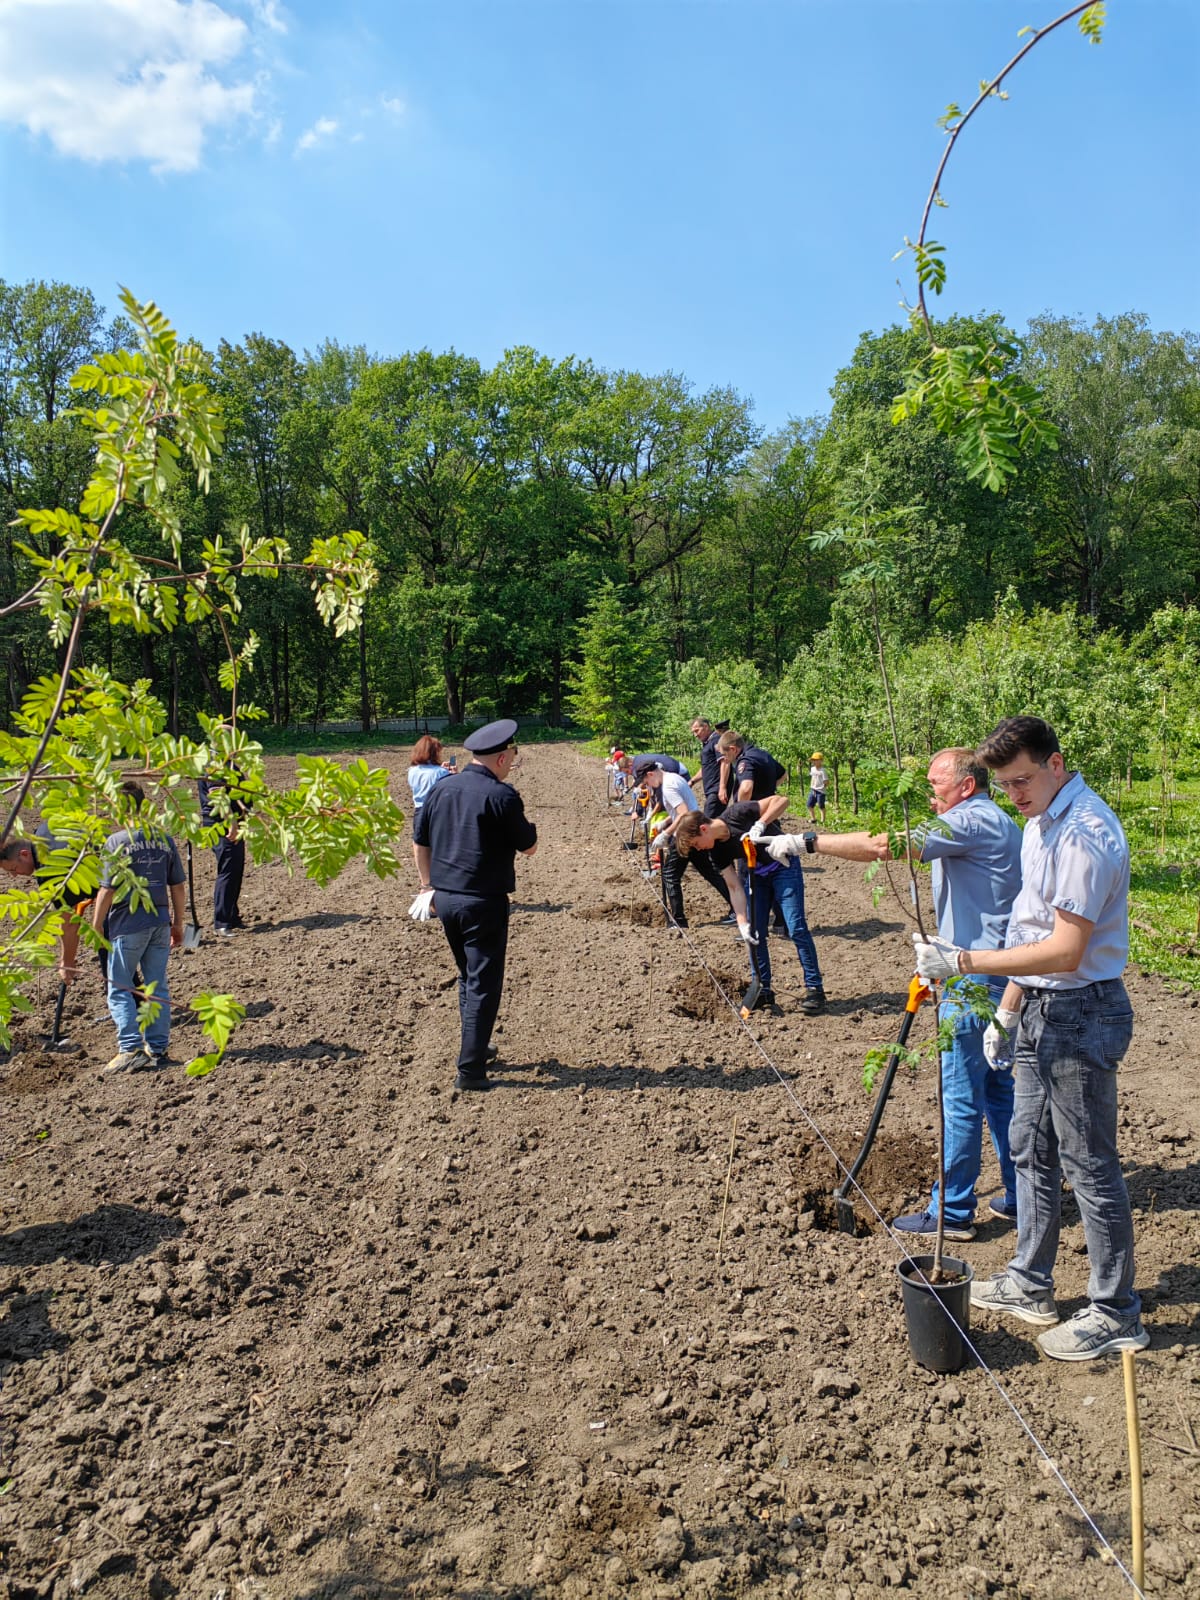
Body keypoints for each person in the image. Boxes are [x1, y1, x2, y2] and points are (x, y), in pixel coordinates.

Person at [913, 716, 1147, 1362]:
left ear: (1056, 764)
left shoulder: (1085, 833)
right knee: (1028, 1145)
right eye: (1005, 784)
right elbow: (1029, 930)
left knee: (1089, 1164)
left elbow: (1065, 950)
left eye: (1021, 780)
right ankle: (1030, 1281)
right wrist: (1008, 1010)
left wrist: (962, 962)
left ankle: (1116, 1311)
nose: (1013, 794)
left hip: (1081, 1013)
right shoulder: (1041, 822)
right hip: (1040, 1007)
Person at [768, 747, 1022, 1242]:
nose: (928, 795)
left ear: (967, 786)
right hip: (989, 971)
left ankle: (951, 1213)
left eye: (935, 785)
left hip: (974, 978)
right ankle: (1020, 1193)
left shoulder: (971, 820)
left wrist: (805, 842)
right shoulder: (993, 820)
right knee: (996, 1092)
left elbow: (886, 845)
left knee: (960, 1095)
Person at [412, 718, 537, 1093]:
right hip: (483, 902)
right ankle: (470, 1070)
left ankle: (477, 1047)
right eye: (512, 756)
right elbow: (529, 847)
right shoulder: (502, 796)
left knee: (469, 975)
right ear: (501, 758)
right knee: (483, 983)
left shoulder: (441, 788)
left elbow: (420, 841)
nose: (512, 763)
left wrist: (426, 886)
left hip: (445, 899)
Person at [674, 797, 826, 1015]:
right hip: (756, 877)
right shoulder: (716, 852)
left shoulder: (737, 813)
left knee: (796, 927)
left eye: (697, 844)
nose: (699, 849)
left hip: (784, 867)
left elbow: (781, 800)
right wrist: (742, 922)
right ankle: (763, 988)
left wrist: (760, 824)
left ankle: (814, 989)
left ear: (704, 829)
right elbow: (734, 887)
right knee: (755, 933)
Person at [90, 781, 186, 1073]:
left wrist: (96, 926)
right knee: (157, 986)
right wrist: (178, 924)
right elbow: (178, 886)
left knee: (119, 987)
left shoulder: (116, 842)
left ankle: (130, 1048)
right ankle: (157, 1048)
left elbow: (107, 890)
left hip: (128, 924)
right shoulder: (164, 839)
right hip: (159, 922)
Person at [638, 762, 733, 930]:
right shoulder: (675, 778)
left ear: (651, 774)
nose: (649, 786)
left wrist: (666, 833)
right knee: (710, 872)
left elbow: (683, 813)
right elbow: (681, 810)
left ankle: (678, 921)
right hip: (694, 832)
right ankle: (736, 907)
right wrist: (666, 821)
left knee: (669, 874)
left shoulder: (668, 787)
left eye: (647, 782)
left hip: (684, 835)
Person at [0, 823, 90, 985]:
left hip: (124, 885)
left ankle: (129, 998)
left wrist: (66, 963)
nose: (14, 876)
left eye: (13, 869)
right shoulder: (44, 829)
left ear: (25, 854)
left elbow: (69, 922)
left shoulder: (50, 873)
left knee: (113, 942)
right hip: (128, 860)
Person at [199, 754, 251, 938]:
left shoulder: (229, 765)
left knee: (235, 869)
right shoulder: (216, 766)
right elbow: (218, 796)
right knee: (228, 871)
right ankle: (221, 922)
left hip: (232, 824)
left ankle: (232, 916)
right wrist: (232, 823)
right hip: (221, 825)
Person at [407, 734, 455, 884]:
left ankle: (425, 882)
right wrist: (454, 775)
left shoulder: (412, 771)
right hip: (437, 813)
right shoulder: (441, 773)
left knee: (421, 845)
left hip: (419, 811)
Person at [716, 730, 787, 803]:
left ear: (733, 749)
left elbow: (746, 789)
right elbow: (783, 774)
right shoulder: (761, 753)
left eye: (724, 754)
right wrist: (767, 792)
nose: (724, 758)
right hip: (768, 804)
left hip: (754, 807)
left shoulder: (745, 761)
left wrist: (741, 807)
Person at [807, 752, 828, 824]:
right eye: (813, 760)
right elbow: (812, 777)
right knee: (809, 804)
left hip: (820, 791)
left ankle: (823, 821)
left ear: (821, 761)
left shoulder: (823, 771)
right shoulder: (812, 769)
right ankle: (813, 818)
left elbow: (826, 781)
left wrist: (823, 787)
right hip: (813, 790)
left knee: (821, 805)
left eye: (816, 760)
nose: (814, 762)